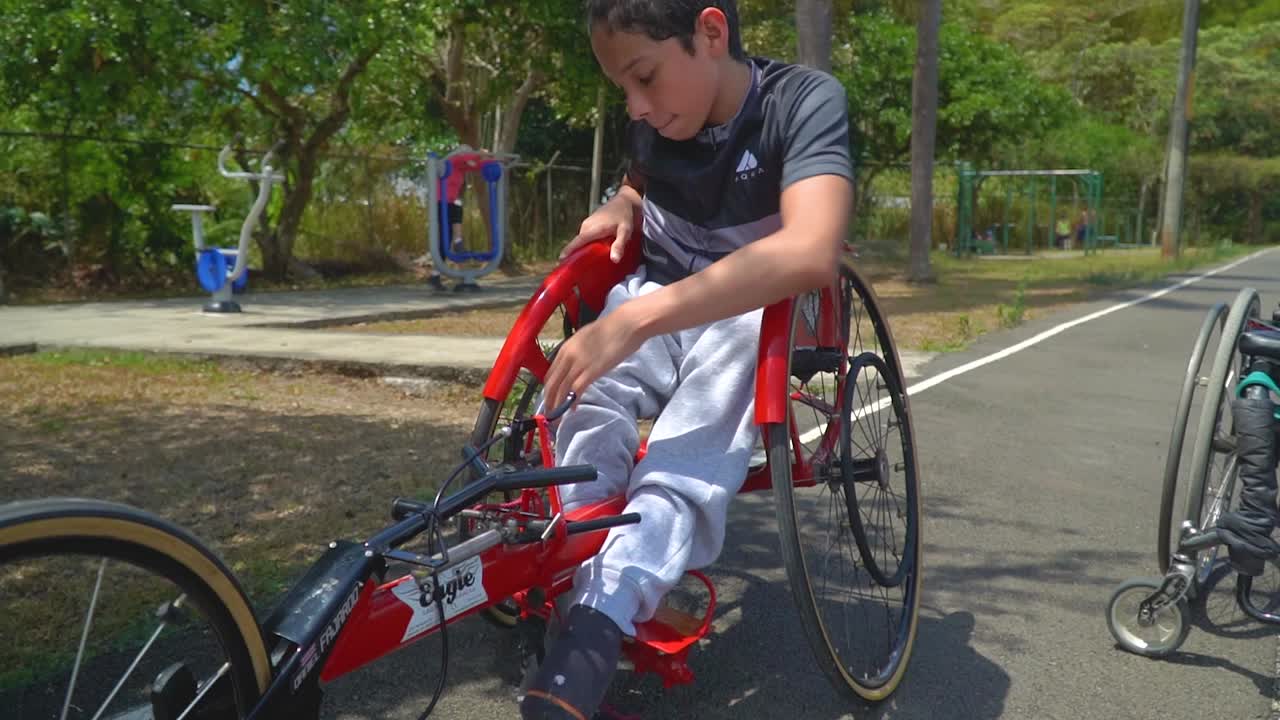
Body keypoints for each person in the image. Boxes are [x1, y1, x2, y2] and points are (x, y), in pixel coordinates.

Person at [519, 2, 853, 718]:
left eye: (645, 78)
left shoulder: (804, 102)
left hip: (756, 306)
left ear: (710, 32)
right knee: (588, 383)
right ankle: (581, 571)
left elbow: (809, 250)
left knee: (695, 419)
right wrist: (623, 203)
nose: (637, 107)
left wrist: (638, 318)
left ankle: (605, 608)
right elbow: (643, 178)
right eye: (624, 91)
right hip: (659, 289)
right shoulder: (658, 115)